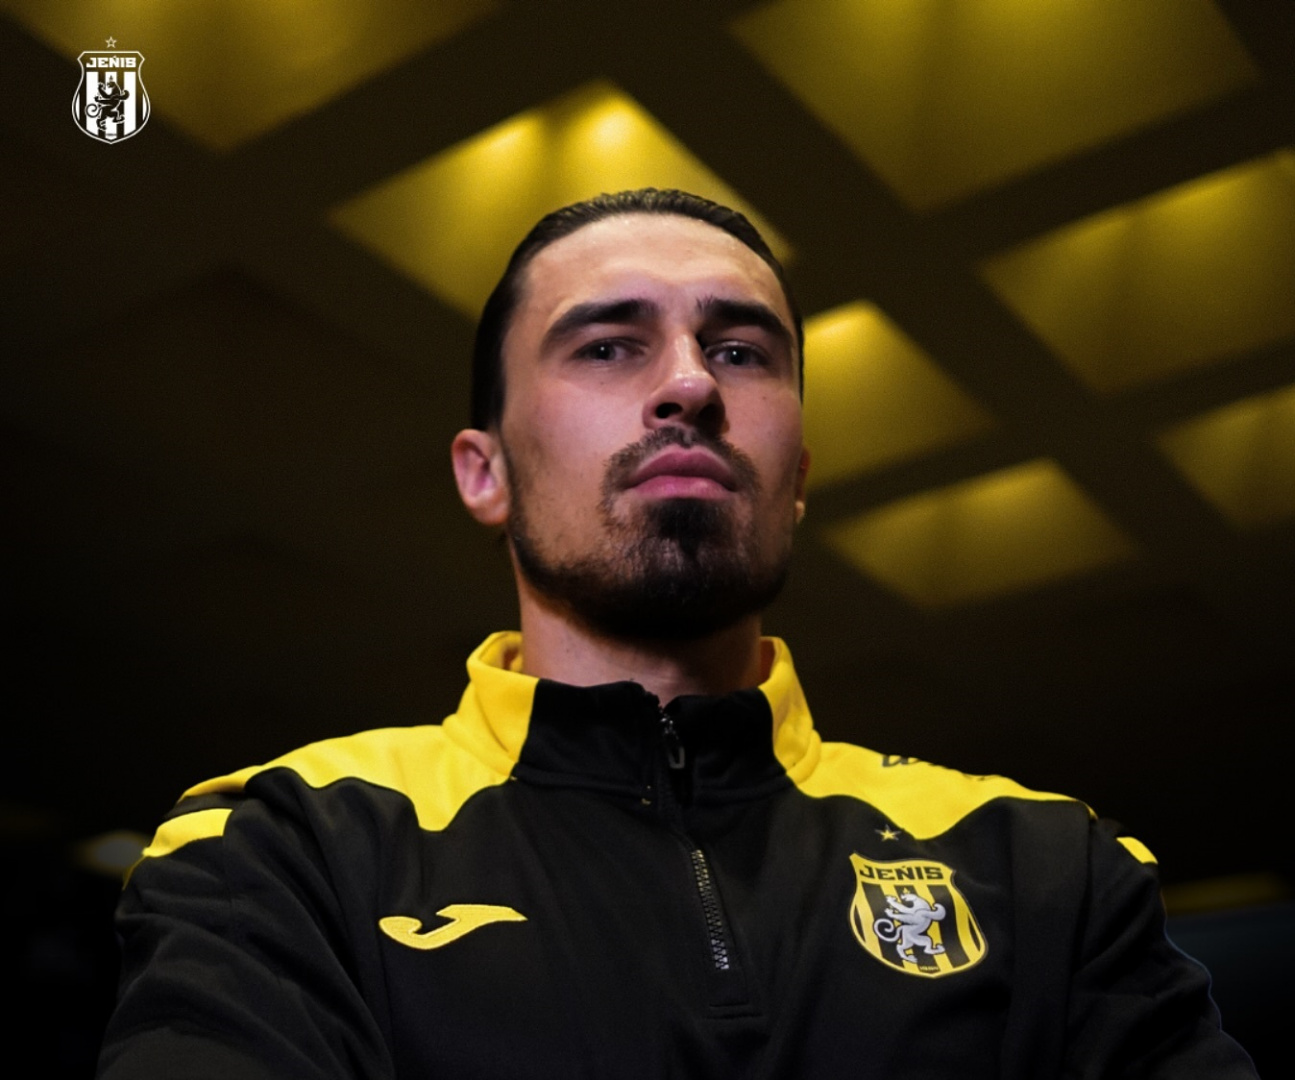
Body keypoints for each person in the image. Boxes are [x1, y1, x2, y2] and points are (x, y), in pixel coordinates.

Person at [96, 189, 1257, 1078]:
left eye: (740, 351)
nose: (691, 386)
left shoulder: (1048, 866)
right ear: (484, 472)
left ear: (795, 478)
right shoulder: (282, 845)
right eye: (608, 345)